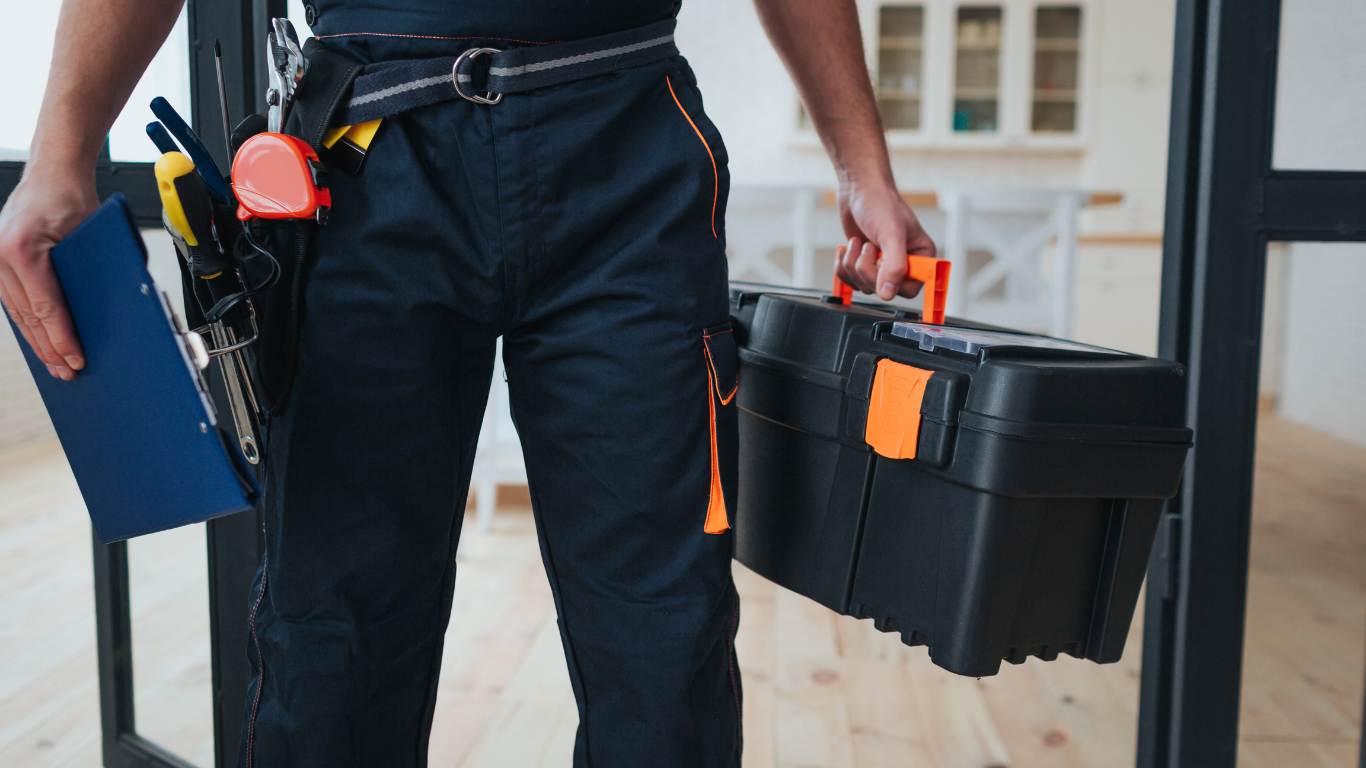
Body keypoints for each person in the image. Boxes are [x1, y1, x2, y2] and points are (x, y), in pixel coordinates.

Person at [0, 0, 936, 765]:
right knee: (331, 637)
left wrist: (862, 166)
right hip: (364, 154)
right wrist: (60, 154)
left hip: (627, 148)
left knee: (664, 639)